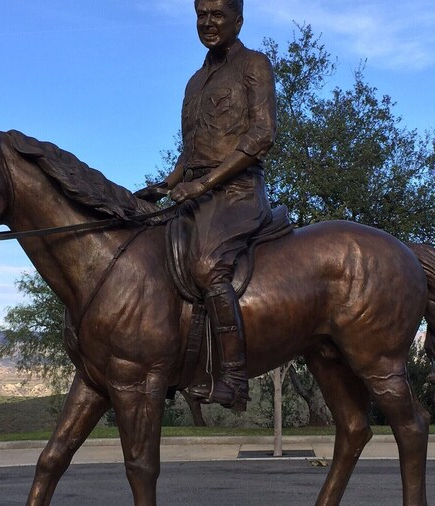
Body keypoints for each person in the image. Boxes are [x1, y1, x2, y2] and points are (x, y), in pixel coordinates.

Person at [157, 0, 277, 411]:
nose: (208, 23)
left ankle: (234, 378)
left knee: (208, 265)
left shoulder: (254, 66)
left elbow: (262, 135)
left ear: (238, 20)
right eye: (201, 15)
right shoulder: (194, 82)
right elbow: (192, 148)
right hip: (197, 191)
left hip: (238, 192)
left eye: (217, 15)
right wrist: (167, 183)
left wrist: (204, 182)